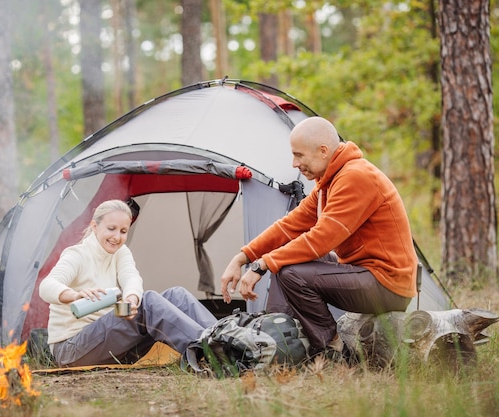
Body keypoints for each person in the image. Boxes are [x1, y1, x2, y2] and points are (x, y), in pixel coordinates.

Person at [220, 116, 417, 358]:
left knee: (290, 272)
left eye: (299, 155)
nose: (294, 163)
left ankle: (332, 349)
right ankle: (278, 339)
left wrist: (261, 265)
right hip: (364, 274)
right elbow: (289, 226)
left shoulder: (355, 177)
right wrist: (243, 257)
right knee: (288, 261)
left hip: (388, 285)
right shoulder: (328, 181)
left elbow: (320, 239)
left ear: (323, 151)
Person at [39, 199, 217, 367]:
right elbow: (46, 286)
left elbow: (131, 277)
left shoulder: (120, 252)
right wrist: (75, 295)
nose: (117, 237)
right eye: (111, 229)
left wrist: (132, 298)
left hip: (108, 343)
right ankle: (213, 354)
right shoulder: (76, 255)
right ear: (94, 226)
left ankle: (227, 340)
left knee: (176, 295)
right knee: (149, 302)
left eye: (123, 231)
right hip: (71, 349)